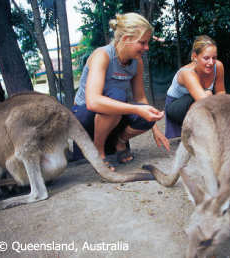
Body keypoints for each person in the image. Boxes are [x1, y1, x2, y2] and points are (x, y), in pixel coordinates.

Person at [72, 12, 170, 170]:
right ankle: (98, 151)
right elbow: (92, 102)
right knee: (119, 96)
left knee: (146, 115)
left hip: (112, 111)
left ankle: (120, 142)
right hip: (84, 114)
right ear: (126, 39)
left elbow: (140, 99)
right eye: (143, 42)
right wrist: (136, 108)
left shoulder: (136, 63)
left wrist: (154, 127)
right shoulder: (102, 55)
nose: (147, 48)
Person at [164, 35, 226, 138]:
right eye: (206, 58)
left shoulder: (218, 66)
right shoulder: (187, 73)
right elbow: (205, 101)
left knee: (215, 98)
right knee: (208, 94)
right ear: (195, 56)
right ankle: (193, 134)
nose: (211, 62)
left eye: (214, 58)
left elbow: (221, 92)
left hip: (199, 101)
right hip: (175, 106)